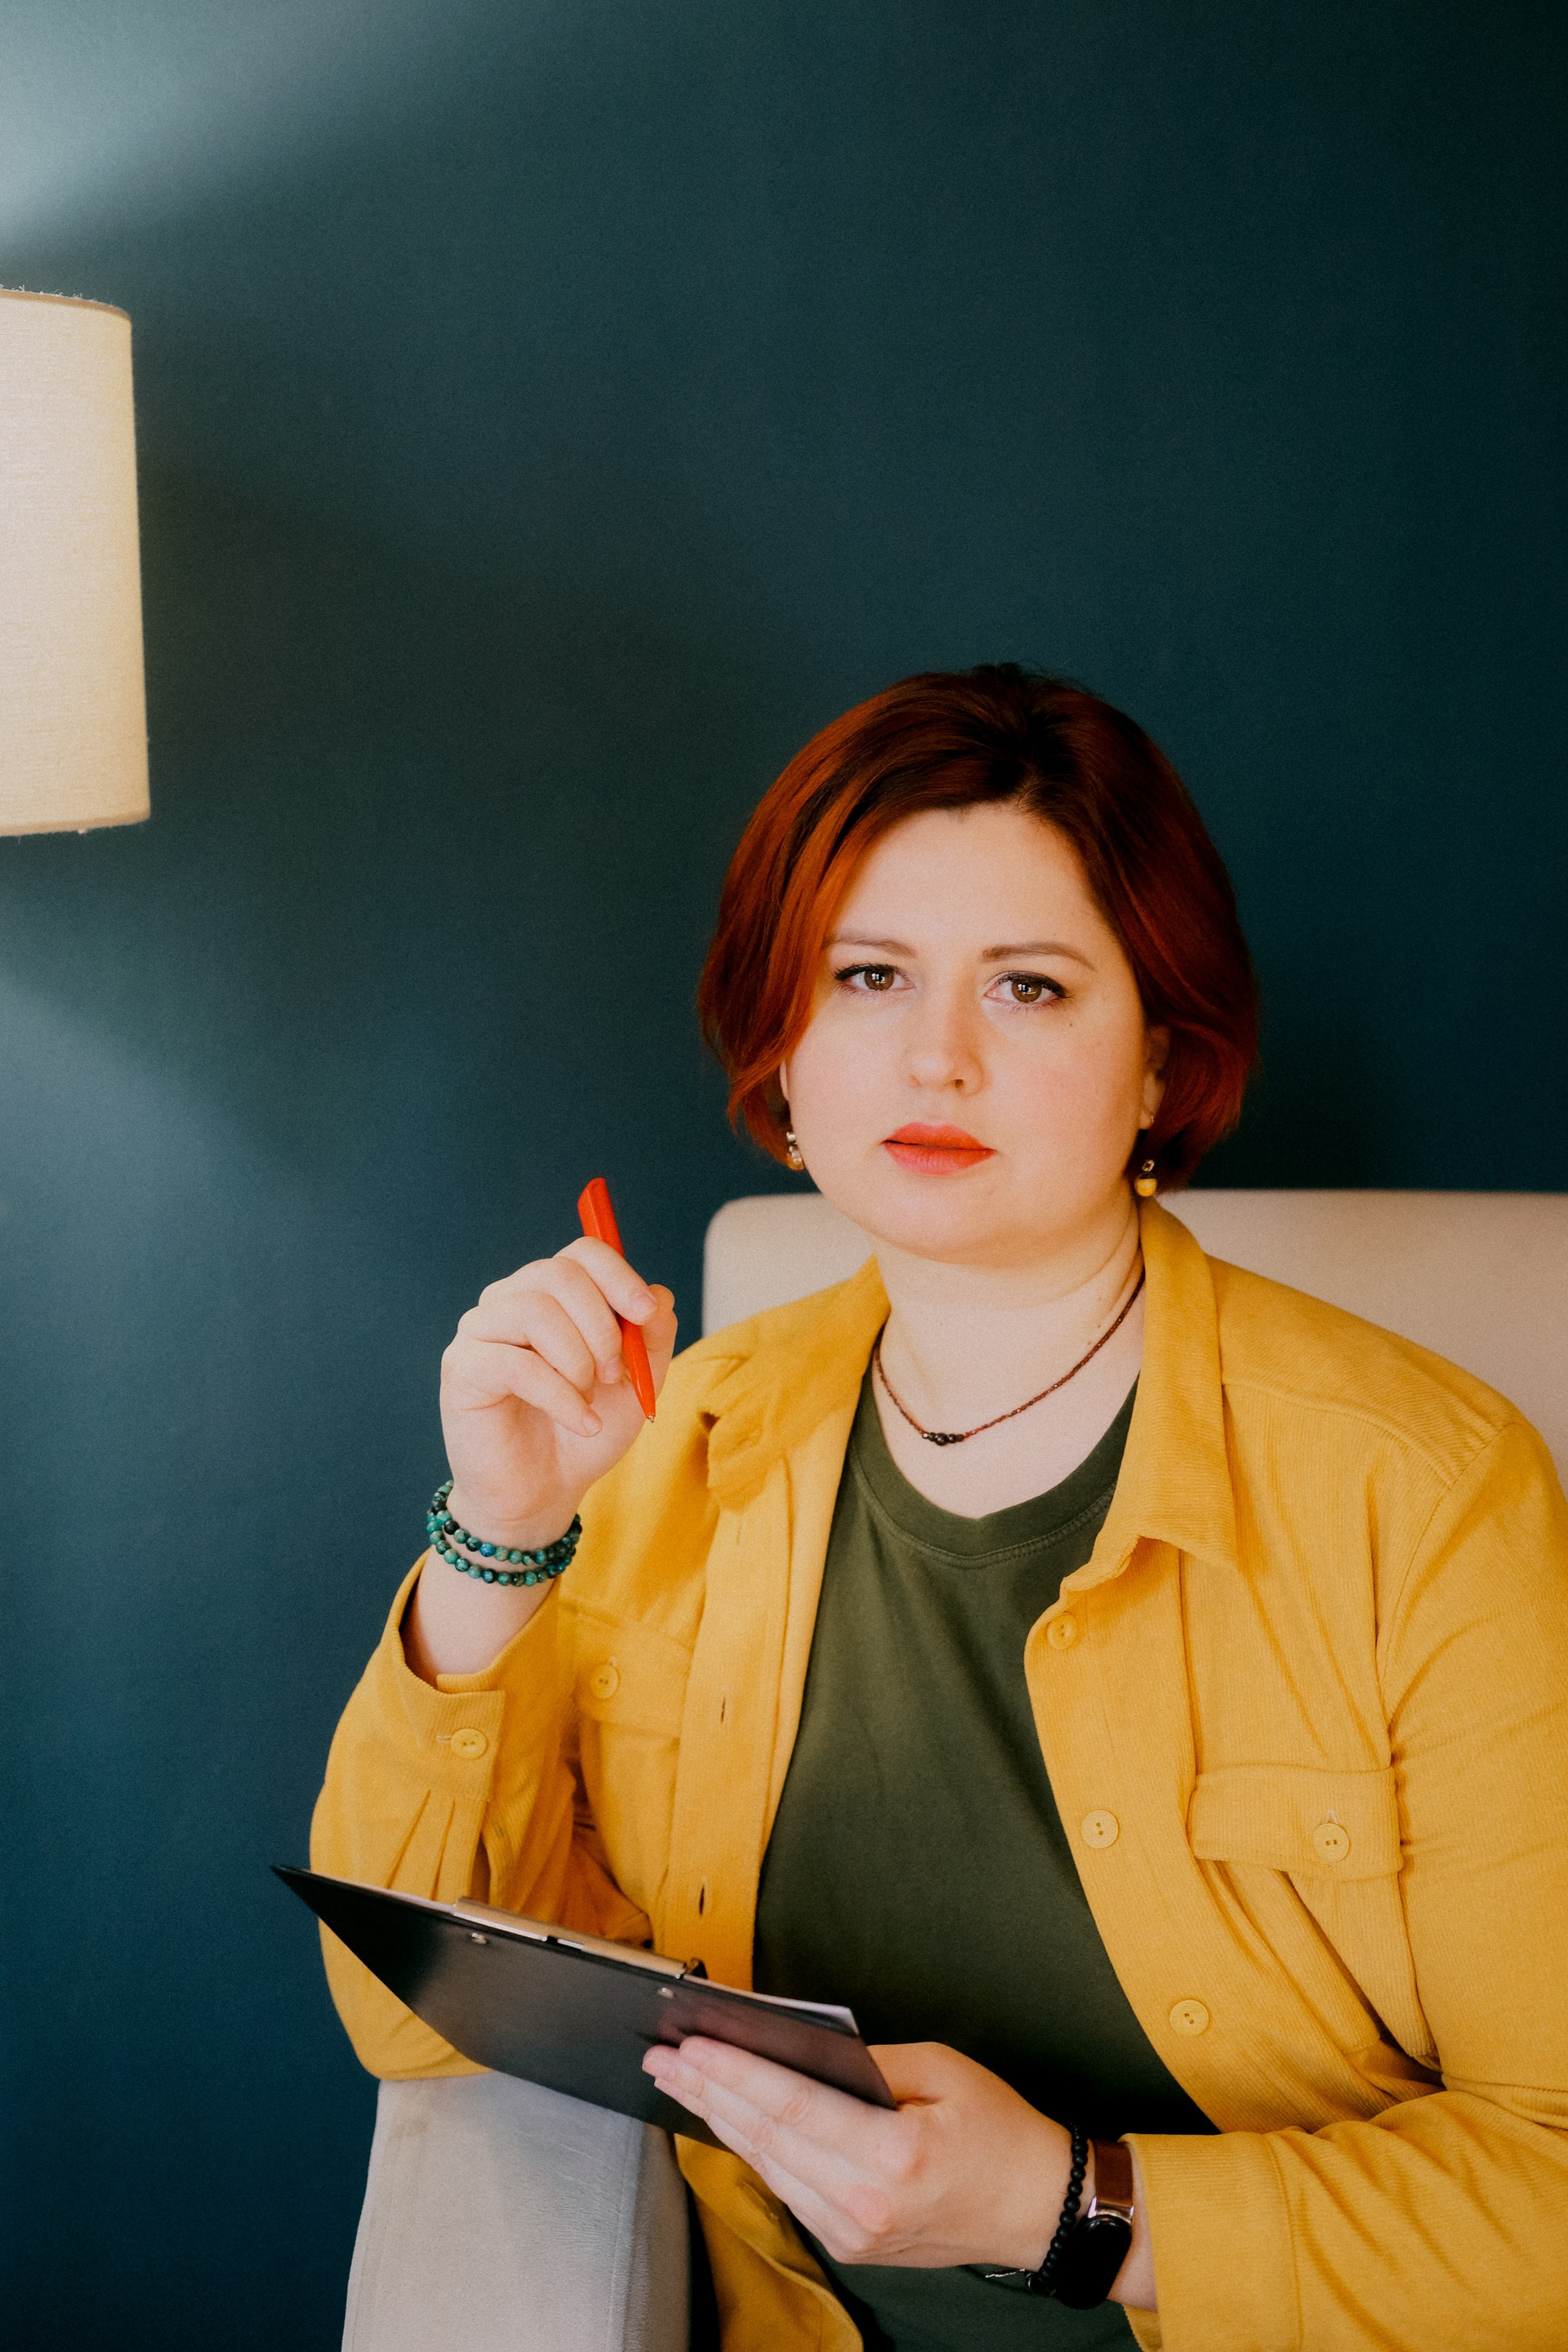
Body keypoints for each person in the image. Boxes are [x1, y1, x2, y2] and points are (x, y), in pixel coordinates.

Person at [314, 665, 1568, 2351]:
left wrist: (1071, 2209)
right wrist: (501, 1535)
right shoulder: (676, 1444)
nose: (936, 1056)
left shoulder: (1428, 1490)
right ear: (783, 1045)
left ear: (1161, 1062)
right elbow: (418, 2024)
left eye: (1030, 987)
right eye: (869, 975)